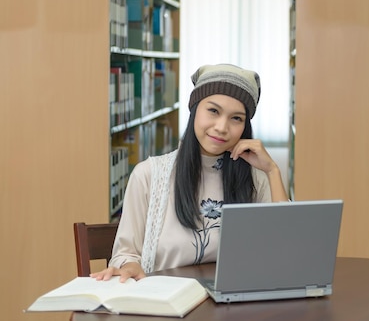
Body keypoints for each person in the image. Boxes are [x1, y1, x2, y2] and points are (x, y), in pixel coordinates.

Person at [92, 64, 288, 282]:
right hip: (167, 305)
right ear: (194, 111)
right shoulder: (148, 175)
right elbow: (125, 253)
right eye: (213, 111)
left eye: (236, 118)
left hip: (233, 306)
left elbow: (285, 251)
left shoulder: (255, 179)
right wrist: (129, 266)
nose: (222, 127)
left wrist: (273, 171)